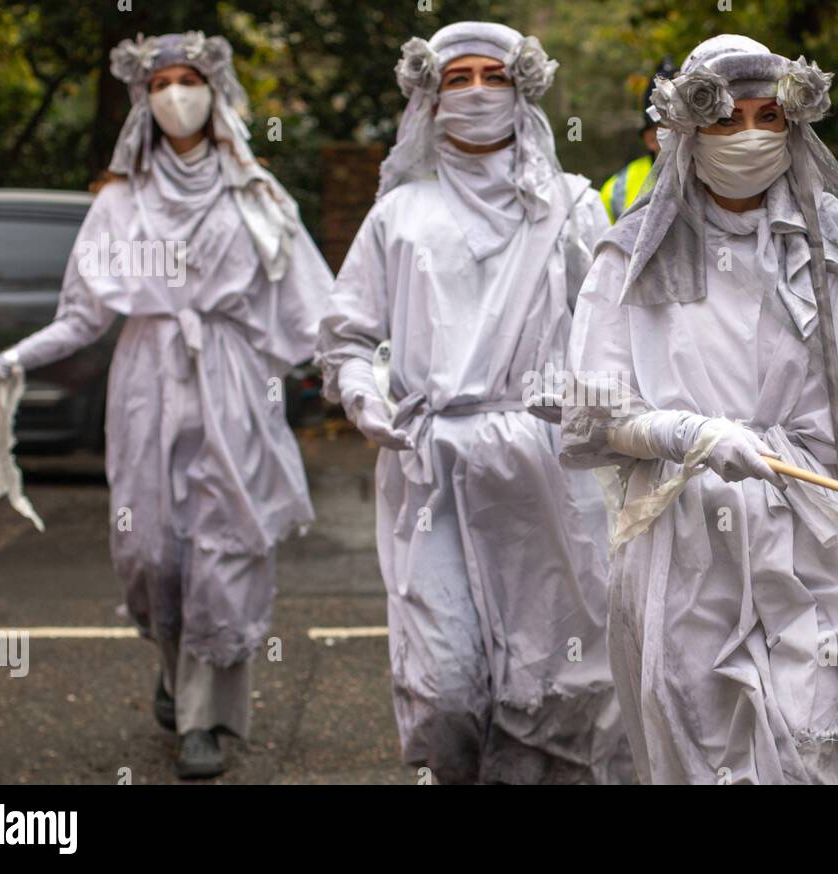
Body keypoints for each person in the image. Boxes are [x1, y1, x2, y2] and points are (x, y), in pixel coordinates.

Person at [561, 33, 838, 785]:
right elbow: (590, 412)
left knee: (819, 749)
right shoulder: (634, 254)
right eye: (728, 120)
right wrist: (687, 433)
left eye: (771, 117)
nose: (751, 137)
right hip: (687, 542)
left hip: (817, 531)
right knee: (711, 744)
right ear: (687, 131)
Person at [0, 32, 332, 779]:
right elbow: (81, 317)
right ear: (143, 101)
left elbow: (320, 312)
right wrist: (1, 363)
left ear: (216, 90)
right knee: (150, 555)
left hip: (233, 383)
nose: (176, 94)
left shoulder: (258, 196)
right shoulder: (118, 204)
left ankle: (203, 722)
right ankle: (173, 669)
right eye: (160, 83)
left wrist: (374, 377)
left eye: (189, 79)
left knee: (223, 552)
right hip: (146, 383)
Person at [315, 22, 632, 785]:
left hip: (546, 468)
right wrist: (359, 389)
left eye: (495, 75)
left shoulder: (570, 207)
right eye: (458, 79)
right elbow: (348, 332)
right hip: (432, 467)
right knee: (446, 680)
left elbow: (616, 325)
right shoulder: (400, 214)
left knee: (552, 677)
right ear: (429, 96)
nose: (479, 91)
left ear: (523, 90)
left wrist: (596, 404)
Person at [599, 57, 675, 223]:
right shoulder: (615, 191)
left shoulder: (719, 179)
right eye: (673, 125)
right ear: (651, 139)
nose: (686, 134)